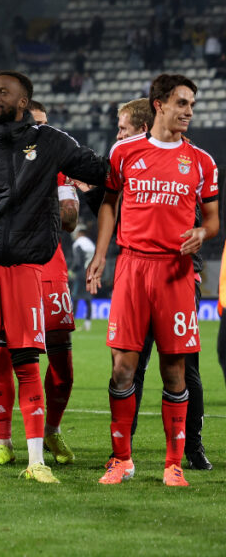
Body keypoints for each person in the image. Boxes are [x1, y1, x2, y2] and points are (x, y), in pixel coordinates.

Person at [0, 70, 108, 483]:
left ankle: (36, 462)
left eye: (3, 92)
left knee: (27, 363)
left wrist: (131, 156)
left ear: (22, 101)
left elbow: (98, 170)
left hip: (27, 269)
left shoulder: (51, 142)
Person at [87, 74, 218, 486]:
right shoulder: (125, 151)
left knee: (175, 370)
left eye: (192, 104)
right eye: (182, 103)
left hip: (176, 273)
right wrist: (101, 254)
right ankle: (121, 459)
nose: (189, 111)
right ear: (158, 104)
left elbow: (212, 219)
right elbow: (109, 204)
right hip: (131, 267)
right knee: (123, 368)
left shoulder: (201, 161)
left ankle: (173, 463)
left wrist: (203, 233)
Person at [0, 101, 80, 468]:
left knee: (62, 359)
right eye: (33, 125)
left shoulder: (58, 169)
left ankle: (52, 429)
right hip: (7, 266)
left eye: (45, 126)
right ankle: (4, 441)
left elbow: (70, 219)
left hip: (50, 269)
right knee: (2, 353)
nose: (39, 133)